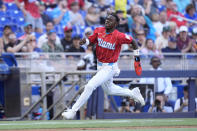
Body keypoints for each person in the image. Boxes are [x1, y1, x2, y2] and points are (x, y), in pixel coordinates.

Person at [62, 13, 145, 119]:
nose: (107, 21)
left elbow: (133, 42)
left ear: (116, 24)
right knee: (109, 90)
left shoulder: (119, 36)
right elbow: (91, 39)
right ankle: (133, 93)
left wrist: (137, 58)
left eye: (110, 20)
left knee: (90, 86)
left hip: (110, 67)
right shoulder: (99, 30)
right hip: (100, 66)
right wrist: (86, 41)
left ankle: (72, 111)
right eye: (106, 19)